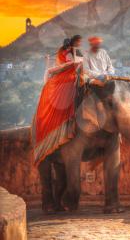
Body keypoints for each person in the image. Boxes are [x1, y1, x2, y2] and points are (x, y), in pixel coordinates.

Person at [31, 35, 82, 213]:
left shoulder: (74, 54)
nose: (77, 46)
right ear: (69, 45)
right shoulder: (64, 54)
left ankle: (59, 202)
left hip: (71, 77)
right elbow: (58, 68)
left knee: (62, 177)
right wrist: (73, 63)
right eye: (75, 44)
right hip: (64, 80)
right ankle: (49, 203)